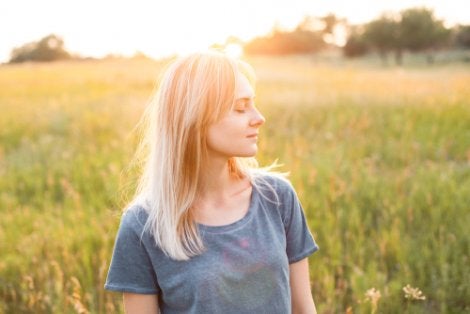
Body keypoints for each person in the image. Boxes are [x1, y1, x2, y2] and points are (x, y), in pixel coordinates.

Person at [105, 51, 319, 313]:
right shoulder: (142, 224)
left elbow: (303, 308)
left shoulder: (278, 197)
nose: (258, 117)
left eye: (253, 103)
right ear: (195, 116)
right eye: (241, 107)